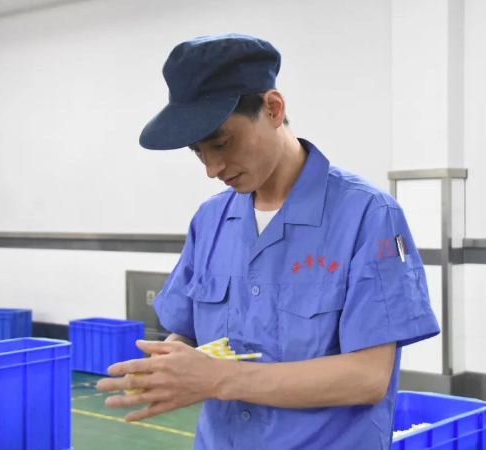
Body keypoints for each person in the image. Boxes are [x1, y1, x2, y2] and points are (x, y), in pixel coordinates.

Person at [96, 33, 440, 450]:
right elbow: (186, 332)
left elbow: (368, 377)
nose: (212, 168)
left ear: (273, 109)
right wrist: (166, 369)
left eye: (221, 143)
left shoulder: (367, 215)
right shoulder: (211, 220)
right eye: (198, 151)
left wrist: (222, 378)